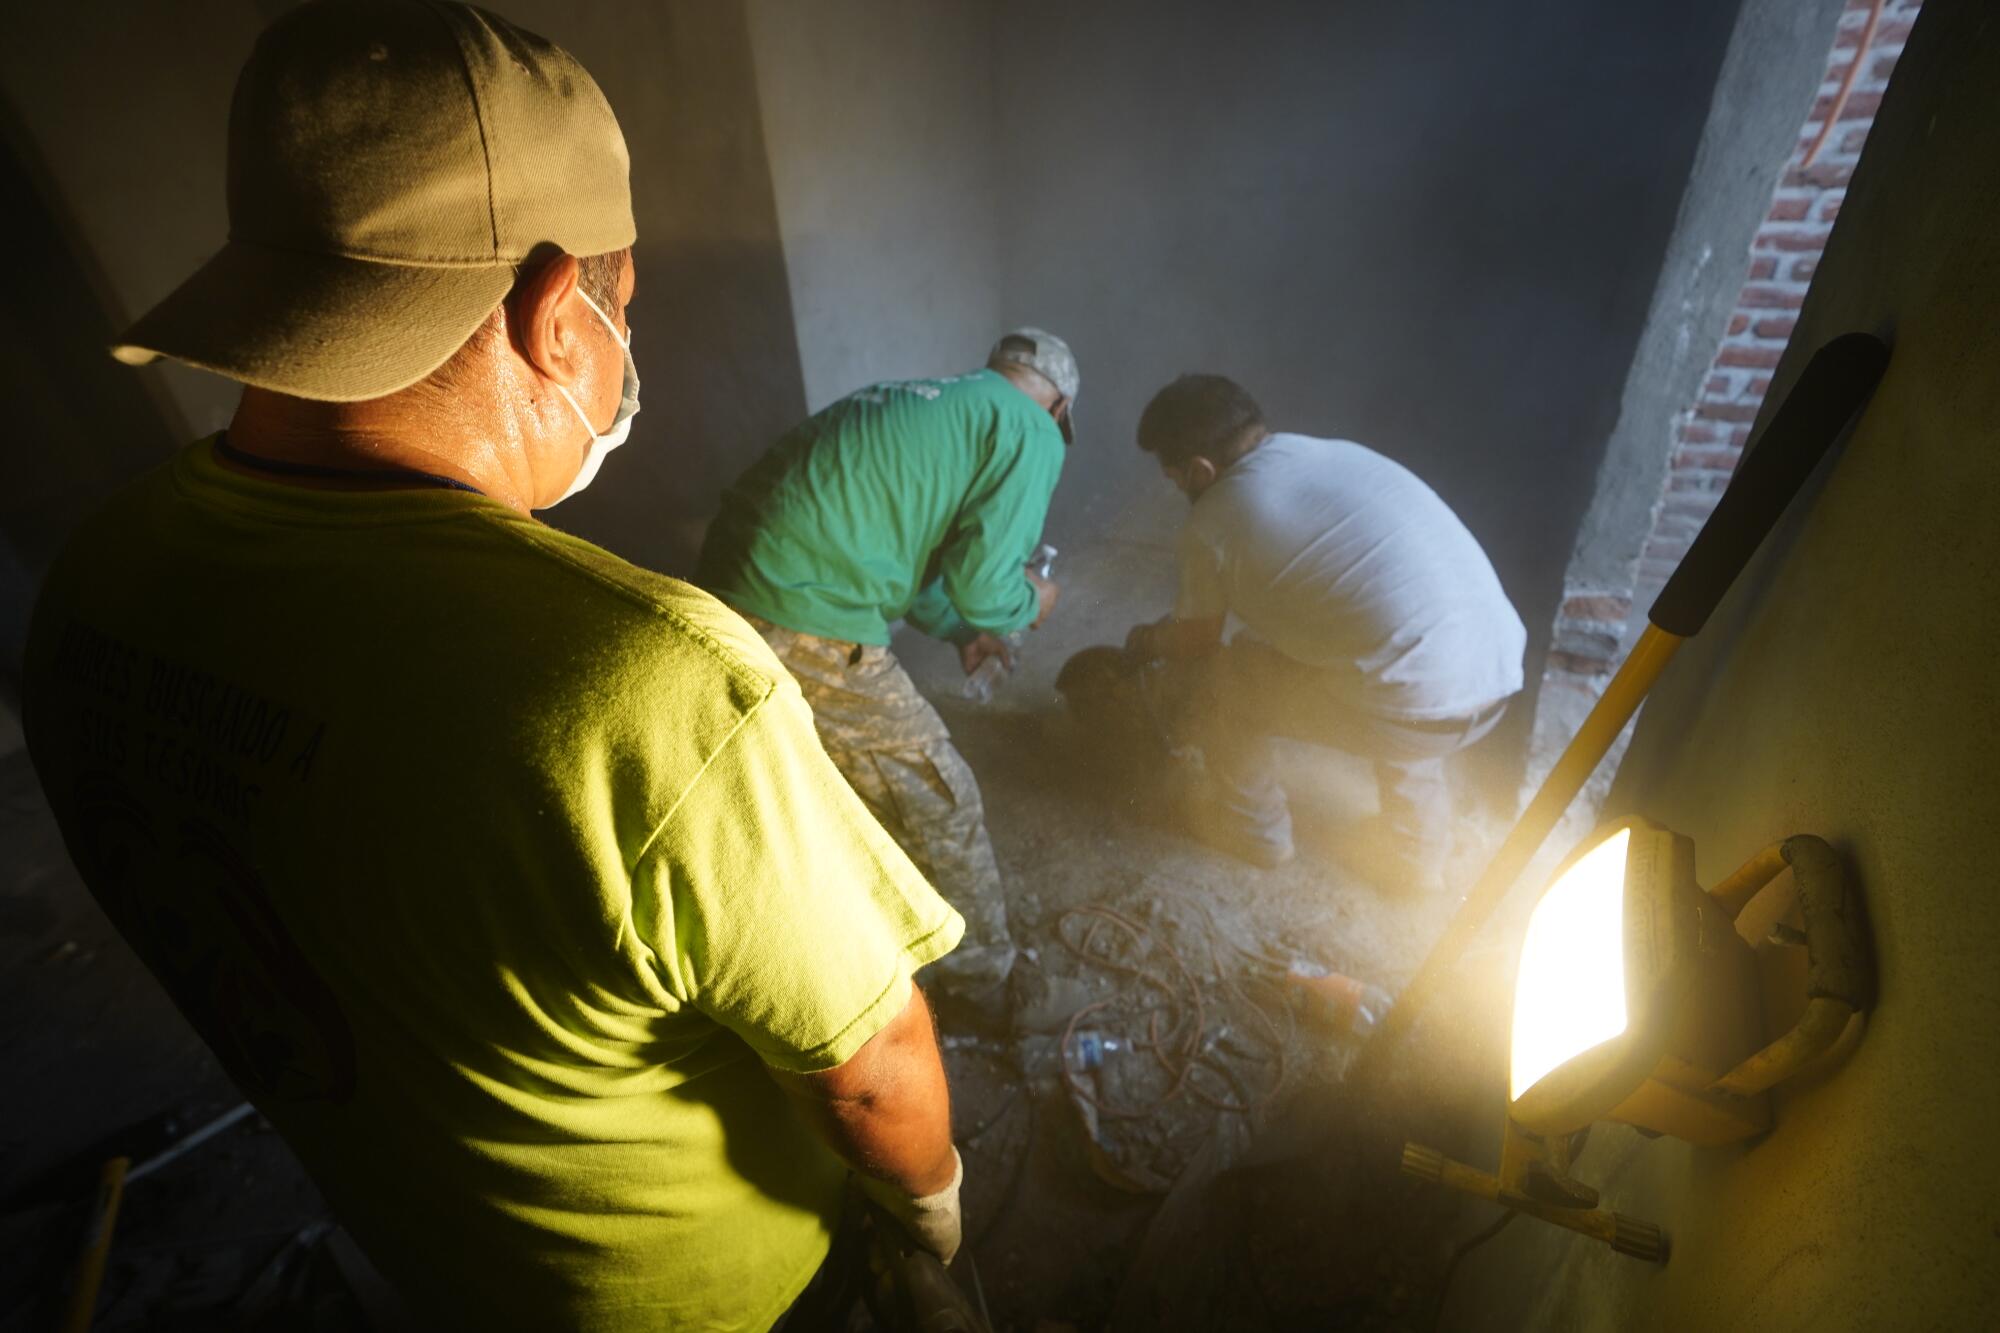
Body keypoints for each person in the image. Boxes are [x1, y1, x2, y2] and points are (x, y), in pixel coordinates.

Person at [21, 3, 966, 1328]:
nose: (626, 353)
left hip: (436, 1254)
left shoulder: (92, 583)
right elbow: (873, 1072)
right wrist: (929, 1206)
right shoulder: (651, 682)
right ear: (553, 306)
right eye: (623, 304)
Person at [697, 331, 1077, 998]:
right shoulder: (1032, 430)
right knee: (938, 793)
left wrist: (963, 632)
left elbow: (915, 566)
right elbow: (987, 586)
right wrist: (1031, 601)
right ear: (1059, 406)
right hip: (805, 609)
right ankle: (983, 978)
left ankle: (832, 935)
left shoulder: (934, 402)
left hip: (732, 588)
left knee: (804, 780)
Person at [1122, 374, 1525, 892]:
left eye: (1174, 476)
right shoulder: (1332, 454)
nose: (1176, 488)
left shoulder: (1213, 520)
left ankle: (1255, 833)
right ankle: (1416, 857)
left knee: (1225, 677)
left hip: (1415, 710)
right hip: (1494, 679)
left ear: (1201, 469)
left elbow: (1195, 644)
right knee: (1391, 657)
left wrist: (1148, 640)